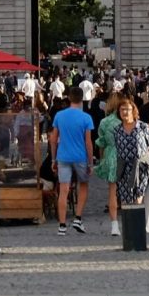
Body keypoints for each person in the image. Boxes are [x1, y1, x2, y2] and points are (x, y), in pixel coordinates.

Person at [50, 85, 94, 235]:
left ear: (68, 98)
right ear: (82, 99)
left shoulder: (59, 116)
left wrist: (53, 158)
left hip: (63, 156)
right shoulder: (86, 118)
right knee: (83, 185)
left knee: (63, 190)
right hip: (80, 156)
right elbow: (88, 142)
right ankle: (78, 218)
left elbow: (53, 139)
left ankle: (62, 225)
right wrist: (90, 162)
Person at [113, 98, 149, 213]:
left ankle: (138, 228)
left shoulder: (143, 127)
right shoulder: (117, 130)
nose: (124, 112)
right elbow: (115, 151)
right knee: (125, 203)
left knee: (138, 201)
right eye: (122, 110)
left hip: (141, 169)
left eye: (127, 109)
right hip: (124, 171)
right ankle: (128, 229)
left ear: (133, 111)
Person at [93, 92, 123, 237]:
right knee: (130, 191)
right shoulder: (127, 119)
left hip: (111, 155)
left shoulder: (105, 122)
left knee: (112, 192)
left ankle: (114, 225)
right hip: (126, 155)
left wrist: (102, 160)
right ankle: (133, 220)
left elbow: (101, 143)